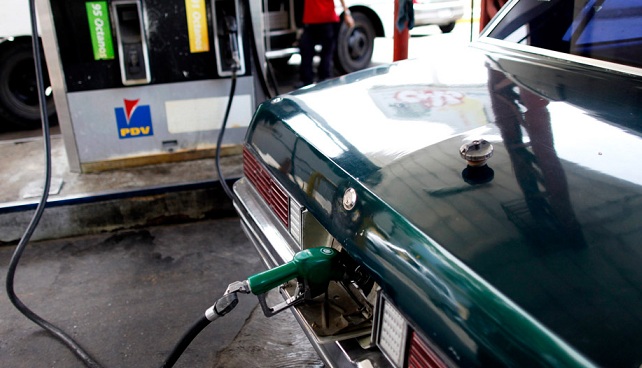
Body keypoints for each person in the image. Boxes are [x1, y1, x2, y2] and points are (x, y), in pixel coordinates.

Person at [298, 0, 354, 87]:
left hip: (327, 20)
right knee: (306, 51)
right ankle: (307, 81)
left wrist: (347, 13)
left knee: (326, 52)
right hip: (311, 20)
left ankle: (324, 79)